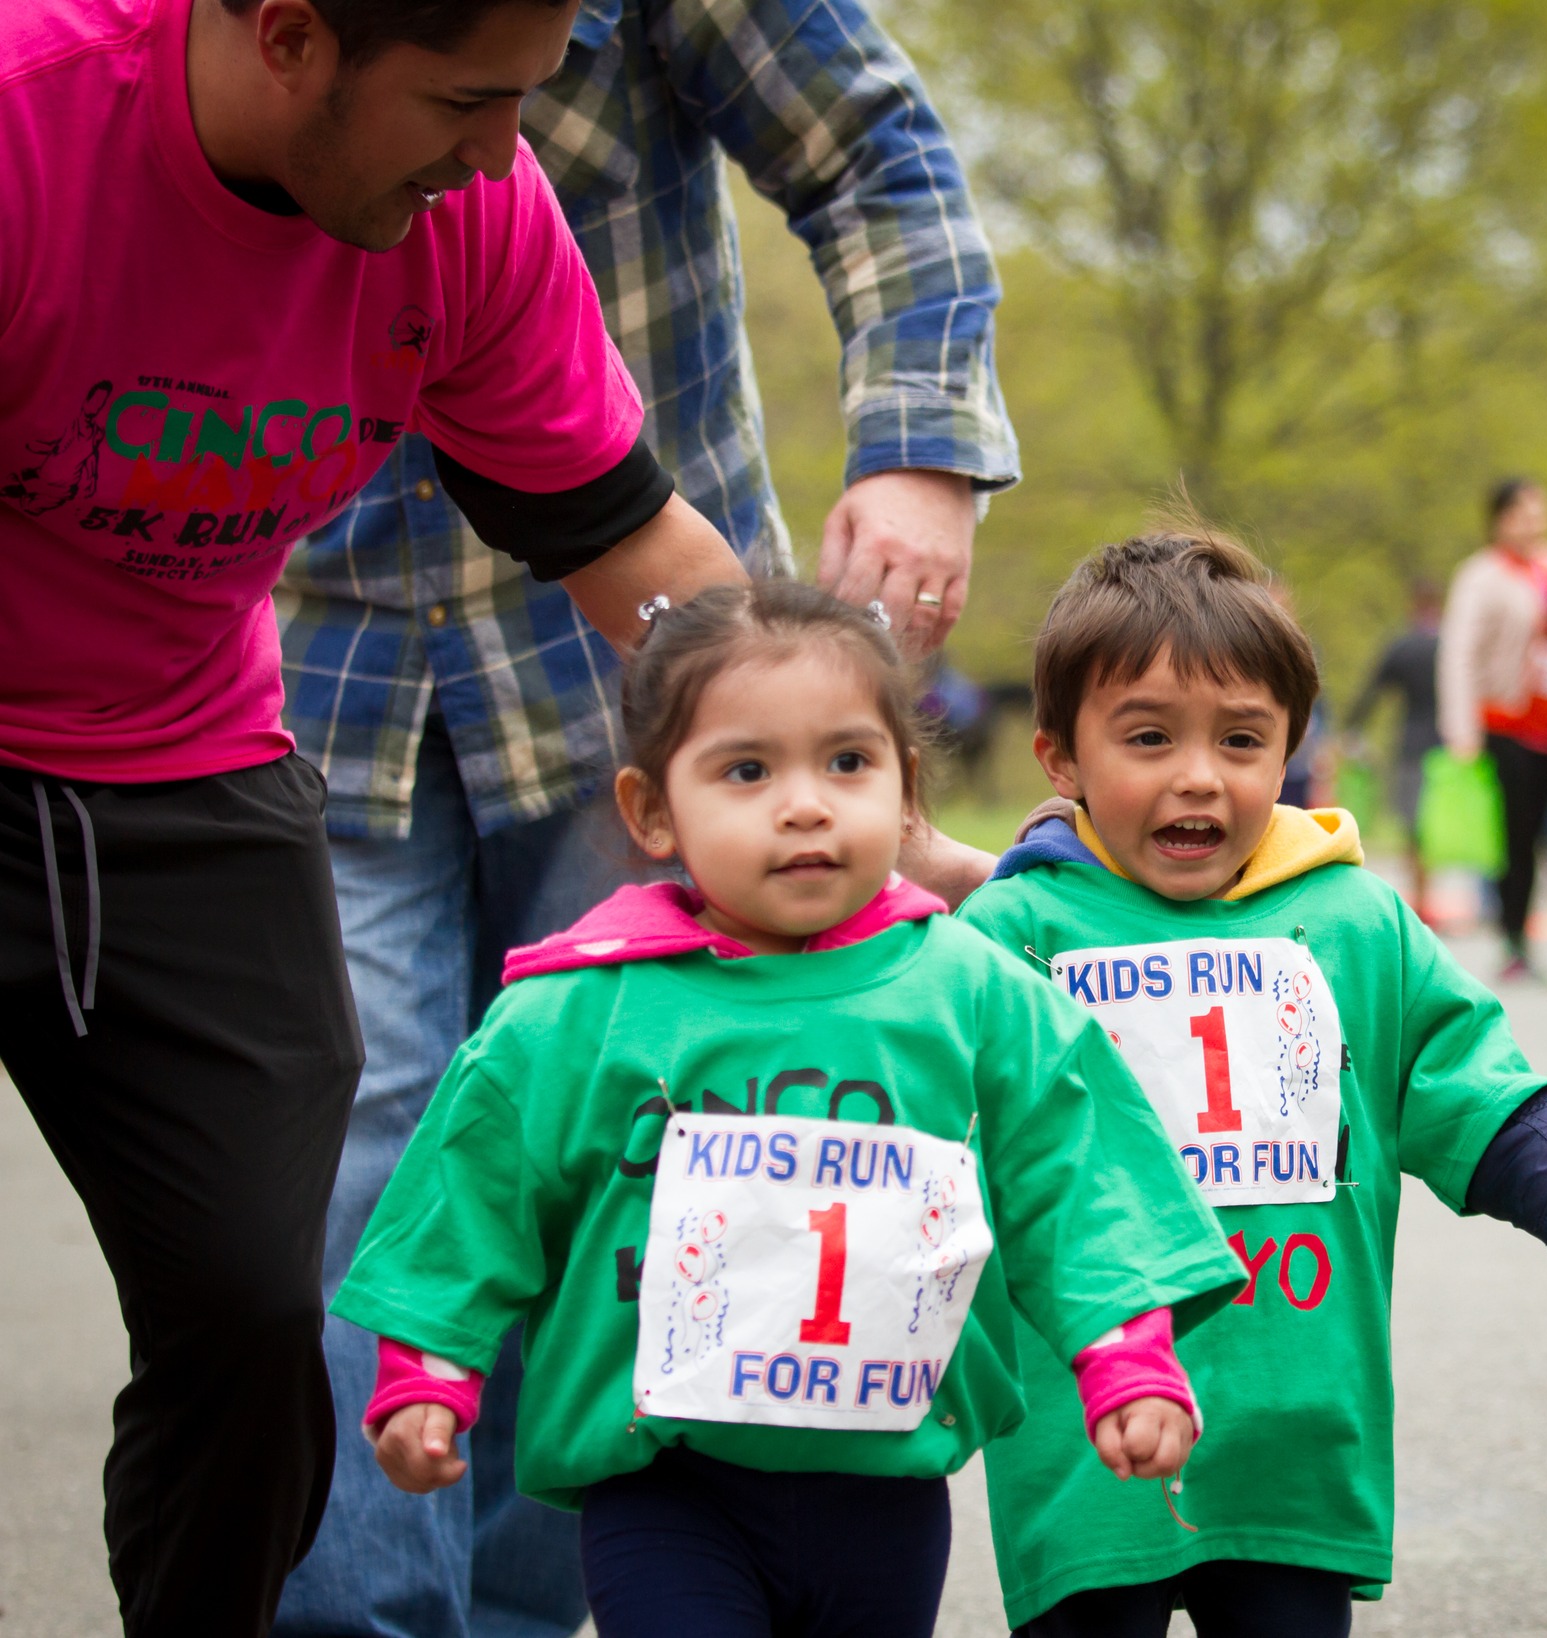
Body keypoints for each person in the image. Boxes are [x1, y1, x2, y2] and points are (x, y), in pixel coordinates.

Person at [0, 1, 754, 1630]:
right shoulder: (27, 129)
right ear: (289, 35)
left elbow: (637, 554)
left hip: (185, 767)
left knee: (260, 1324)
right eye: (465, 101)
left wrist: (848, 803)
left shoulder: (473, 222)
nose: (500, 153)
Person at [268, 0, 1018, 1626]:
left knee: (636, 1150)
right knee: (361, 1155)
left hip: (655, 655)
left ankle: (528, 1606)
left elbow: (871, 146)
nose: (487, 151)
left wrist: (920, 444)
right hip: (324, 656)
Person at [330, 580, 1248, 1638]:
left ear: (906, 791)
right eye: (747, 771)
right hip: (666, 1485)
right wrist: (429, 1369)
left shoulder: (974, 994)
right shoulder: (578, 1010)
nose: (805, 804)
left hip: (886, 1485)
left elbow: (1077, 1168)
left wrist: (1126, 1353)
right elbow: (473, 1186)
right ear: (653, 811)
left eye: (848, 762)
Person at [962, 526, 1547, 1636]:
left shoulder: (1353, 921)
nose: (1199, 776)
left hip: (1295, 1423)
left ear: (1290, 746)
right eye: (1147, 738)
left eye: (1241, 740)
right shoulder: (1012, 936)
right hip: (1086, 1427)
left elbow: (1457, 1069)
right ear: (1062, 760)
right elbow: (929, 1138)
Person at [1438, 478, 1547, 979]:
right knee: (1514, 835)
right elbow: (1459, 653)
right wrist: (1462, 729)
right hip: (1504, 721)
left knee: (1544, 832)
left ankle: (1528, 930)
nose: (1530, 523)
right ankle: (1514, 937)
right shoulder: (1482, 575)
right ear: (1499, 520)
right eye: (1519, 513)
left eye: (1538, 512)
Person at [1346, 579, 1442, 916]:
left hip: (1412, 745)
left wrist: (1352, 730)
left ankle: (1421, 896)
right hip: (1449, 746)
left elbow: (1372, 691)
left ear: (1413, 604)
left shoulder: (1403, 646)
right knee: (1439, 823)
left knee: (1414, 826)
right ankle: (1429, 893)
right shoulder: (1450, 645)